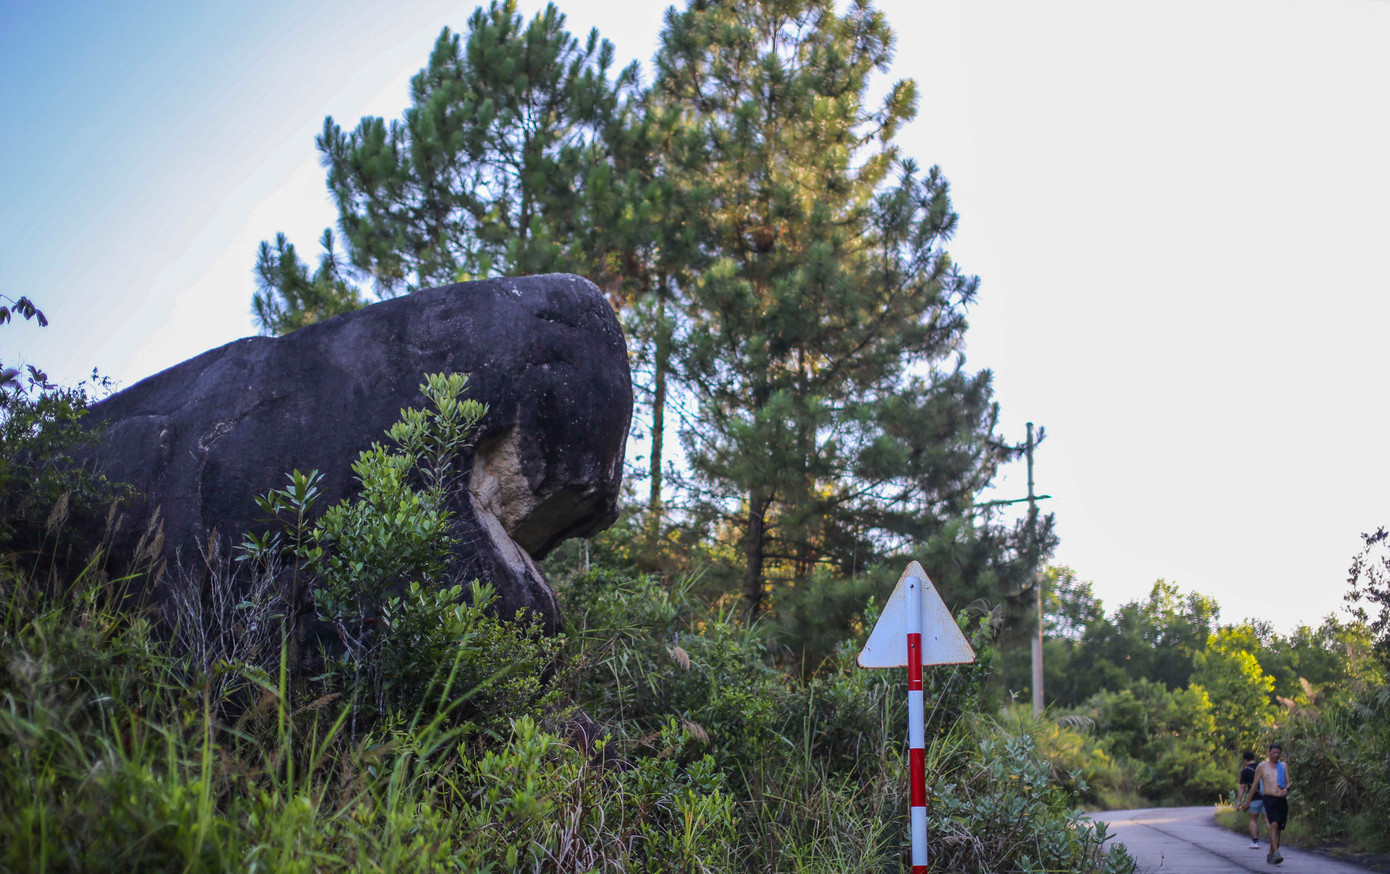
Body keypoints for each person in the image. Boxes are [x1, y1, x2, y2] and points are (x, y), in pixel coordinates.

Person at [1252, 742, 1292, 865]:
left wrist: (1287, 788)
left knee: (1279, 828)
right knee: (1273, 824)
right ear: (1269, 752)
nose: (1276, 755)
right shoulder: (1262, 767)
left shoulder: (1283, 766)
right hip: (1269, 798)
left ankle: (1271, 853)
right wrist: (1248, 801)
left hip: (1281, 799)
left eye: (1278, 753)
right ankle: (1276, 852)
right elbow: (1255, 785)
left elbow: (1289, 782)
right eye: (1274, 752)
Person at [1236, 750, 1264, 849]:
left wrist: (1239, 801)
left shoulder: (1246, 771)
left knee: (1253, 820)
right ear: (1254, 758)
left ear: (1245, 760)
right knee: (1268, 820)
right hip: (1268, 797)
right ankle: (1275, 841)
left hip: (1255, 798)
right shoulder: (1263, 767)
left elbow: (1242, 787)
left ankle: (1255, 842)